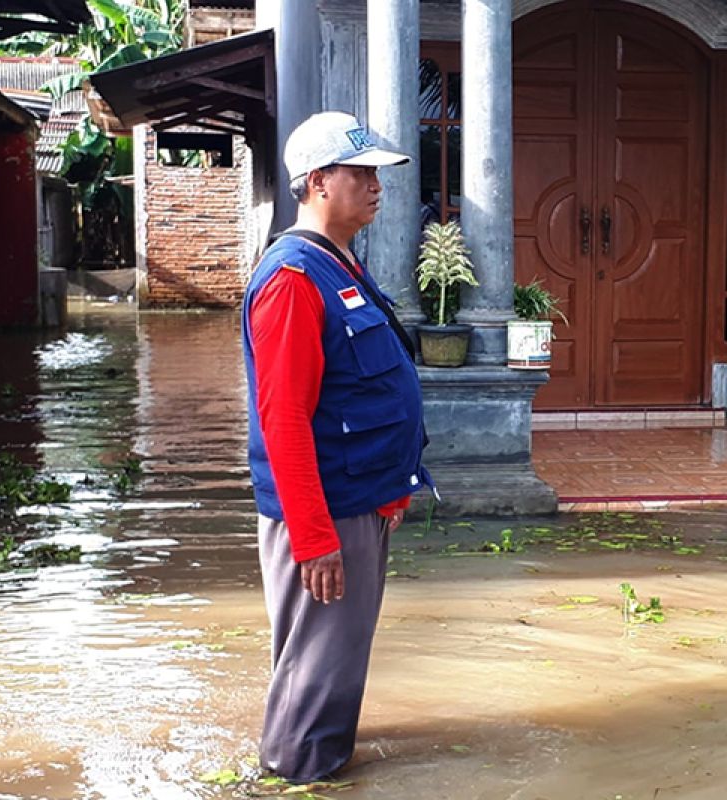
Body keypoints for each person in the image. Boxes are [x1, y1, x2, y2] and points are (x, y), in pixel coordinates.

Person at [241, 111, 433, 784]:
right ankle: (291, 780)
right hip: (325, 513)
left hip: (359, 502)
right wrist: (314, 537)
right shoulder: (294, 279)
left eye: (377, 173)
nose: (377, 185)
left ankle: (316, 767)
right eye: (362, 173)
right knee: (316, 676)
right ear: (319, 182)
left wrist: (393, 488)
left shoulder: (338, 264)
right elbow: (283, 418)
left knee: (332, 663)